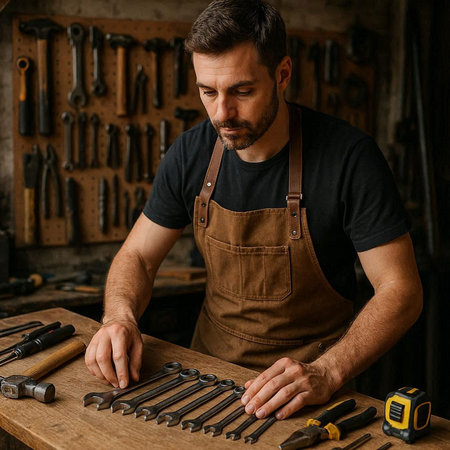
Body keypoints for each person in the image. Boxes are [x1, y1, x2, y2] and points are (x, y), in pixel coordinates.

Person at [85, 0, 423, 420]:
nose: (222, 113)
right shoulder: (190, 154)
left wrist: (327, 371)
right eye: (208, 92)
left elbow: (401, 291)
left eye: (242, 91)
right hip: (206, 377)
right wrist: (119, 317)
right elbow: (137, 256)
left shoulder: (349, 159)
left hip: (308, 393)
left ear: (282, 74)